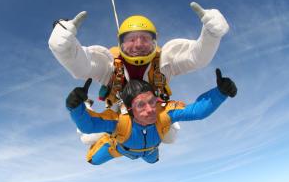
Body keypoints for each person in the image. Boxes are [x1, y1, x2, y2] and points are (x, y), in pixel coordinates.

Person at [49, 2, 229, 144]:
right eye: (131, 39)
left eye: (145, 39)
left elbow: (196, 58)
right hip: (119, 108)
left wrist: (211, 35)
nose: (138, 45)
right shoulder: (109, 64)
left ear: (155, 42)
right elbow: (82, 66)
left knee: (170, 138)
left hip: (151, 107)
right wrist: (63, 47)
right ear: (120, 44)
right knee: (88, 138)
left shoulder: (165, 61)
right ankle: (89, 109)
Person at [66, 69, 237, 165]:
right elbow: (88, 126)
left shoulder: (164, 113)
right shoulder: (120, 121)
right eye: (141, 105)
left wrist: (220, 93)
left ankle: (148, 154)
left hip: (151, 150)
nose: (150, 109)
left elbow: (197, 112)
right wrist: (75, 106)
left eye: (152, 101)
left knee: (153, 160)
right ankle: (91, 112)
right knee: (91, 160)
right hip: (118, 149)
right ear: (130, 110)